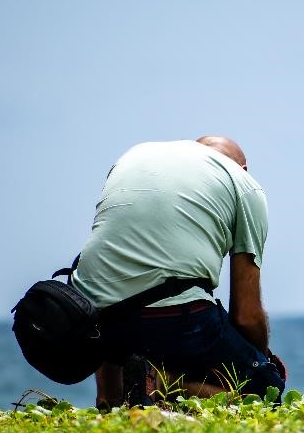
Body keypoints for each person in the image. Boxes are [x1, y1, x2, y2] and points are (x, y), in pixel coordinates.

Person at [71, 136, 285, 407]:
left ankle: (111, 398)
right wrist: (259, 360)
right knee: (267, 394)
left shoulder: (134, 158)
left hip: (93, 317)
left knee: (119, 307)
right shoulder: (243, 184)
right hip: (176, 317)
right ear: (243, 170)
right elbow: (246, 316)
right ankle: (163, 383)